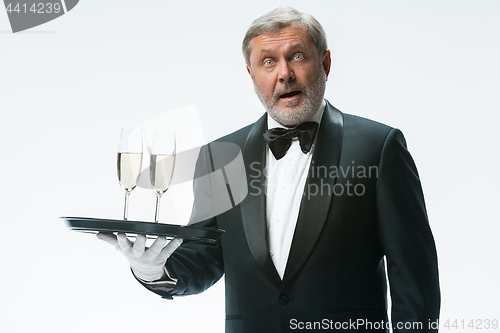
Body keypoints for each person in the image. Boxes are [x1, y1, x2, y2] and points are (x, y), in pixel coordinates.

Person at [98, 6, 440, 333]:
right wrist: (152, 269)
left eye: (297, 56)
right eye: (267, 62)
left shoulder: (379, 147)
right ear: (252, 74)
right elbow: (204, 258)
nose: (284, 73)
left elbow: (414, 278)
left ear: (325, 62)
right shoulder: (219, 157)